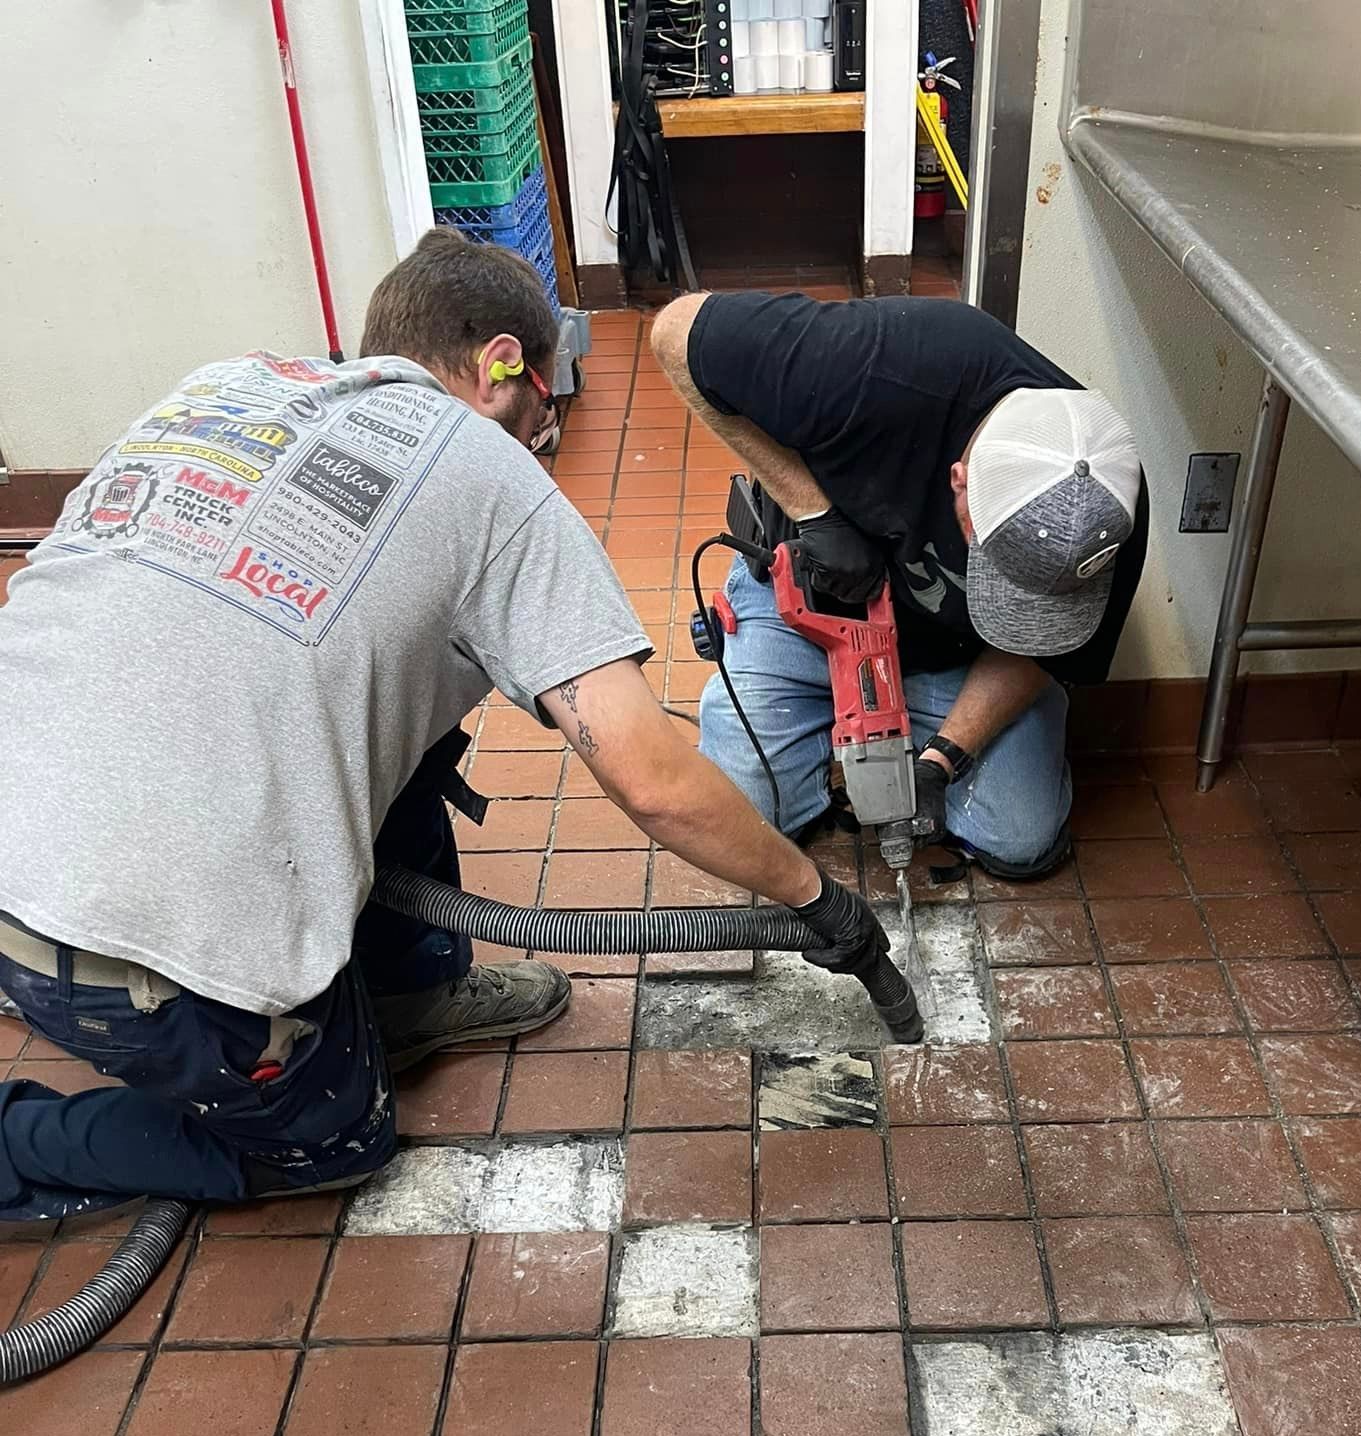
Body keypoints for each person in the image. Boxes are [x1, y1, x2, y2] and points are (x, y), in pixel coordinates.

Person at [0, 232, 886, 1228]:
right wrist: (815, 898)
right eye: (550, 396)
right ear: (503, 363)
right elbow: (653, 779)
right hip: (123, 963)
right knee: (337, 1140)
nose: (550, 425)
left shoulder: (226, 386)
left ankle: (406, 991)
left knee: (412, 704)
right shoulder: (492, 481)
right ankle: (17, 1142)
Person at [650, 290, 1148, 877]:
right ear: (960, 481)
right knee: (741, 819)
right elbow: (674, 331)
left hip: (952, 657)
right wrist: (814, 513)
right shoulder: (873, 365)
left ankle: (903, 731)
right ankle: (793, 703)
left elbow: (1033, 650)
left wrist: (942, 760)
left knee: (1018, 837)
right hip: (804, 611)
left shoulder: (1105, 515)